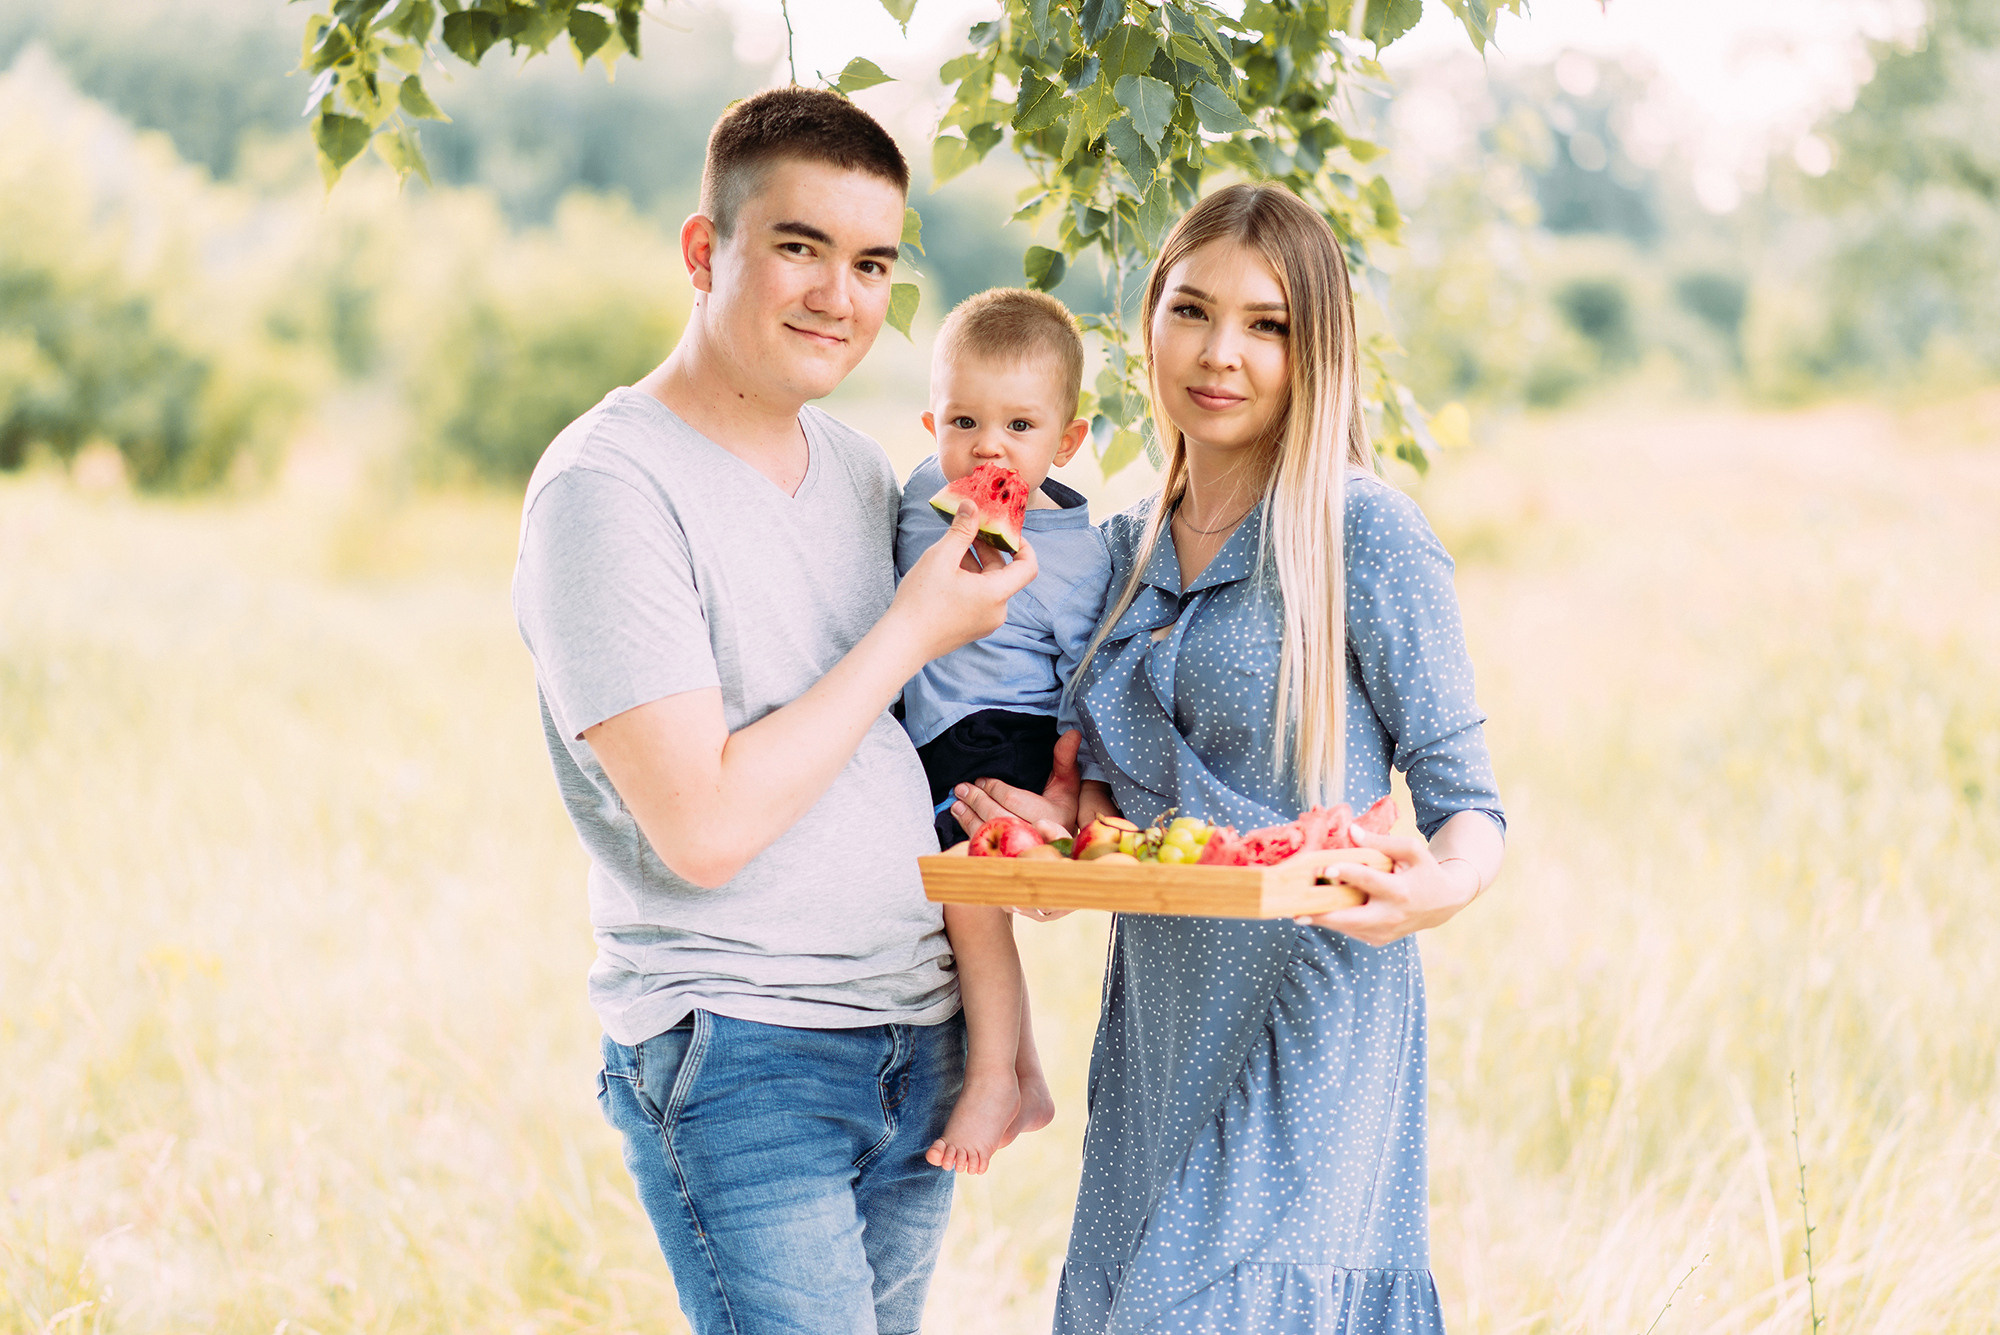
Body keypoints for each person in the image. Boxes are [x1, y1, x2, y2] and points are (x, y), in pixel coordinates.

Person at [511, 88, 1041, 1335]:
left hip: (916, 1036)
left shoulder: (860, 471)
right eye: (799, 248)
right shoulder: (606, 488)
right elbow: (700, 826)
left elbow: (904, 735)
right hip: (745, 1052)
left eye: (870, 264)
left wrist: (1032, 801)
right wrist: (911, 624)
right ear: (706, 253)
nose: (839, 298)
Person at [950, 183, 1508, 1332]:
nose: (1218, 354)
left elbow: (1467, 803)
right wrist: (1060, 841)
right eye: (1190, 310)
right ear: (1146, 320)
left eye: (1267, 325)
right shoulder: (1115, 551)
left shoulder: (1363, 534)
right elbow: (1102, 791)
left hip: (1311, 1017)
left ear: (1315, 352)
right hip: (1155, 1031)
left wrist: (1434, 893)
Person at [893, 288, 1110, 1174]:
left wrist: (1071, 784)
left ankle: (991, 1076)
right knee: (963, 910)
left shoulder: (1076, 554)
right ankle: (1025, 1072)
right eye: (966, 421)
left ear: (1067, 442)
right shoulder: (917, 492)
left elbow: (1087, 681)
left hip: (1006, 735)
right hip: (930, 728)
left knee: (969, 896)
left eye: (1020, 426)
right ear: (930, 422)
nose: (989, 447)